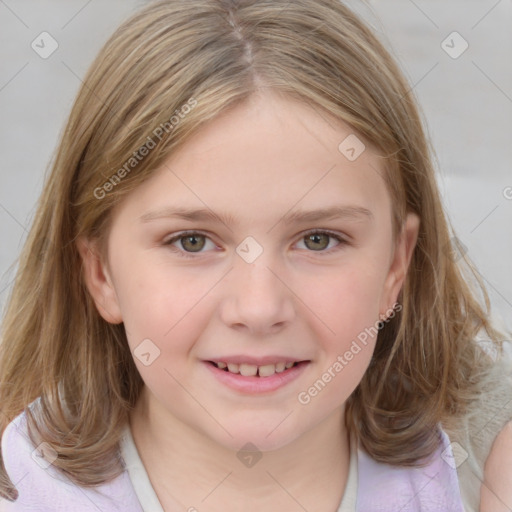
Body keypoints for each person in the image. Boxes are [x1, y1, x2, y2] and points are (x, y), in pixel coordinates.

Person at [1, 0, 511, 511]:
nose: (259, 308)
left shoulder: (483, 472)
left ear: (396, 266)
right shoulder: (23, 488)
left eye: (318, 239)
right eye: (192, 242)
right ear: (100, 273)